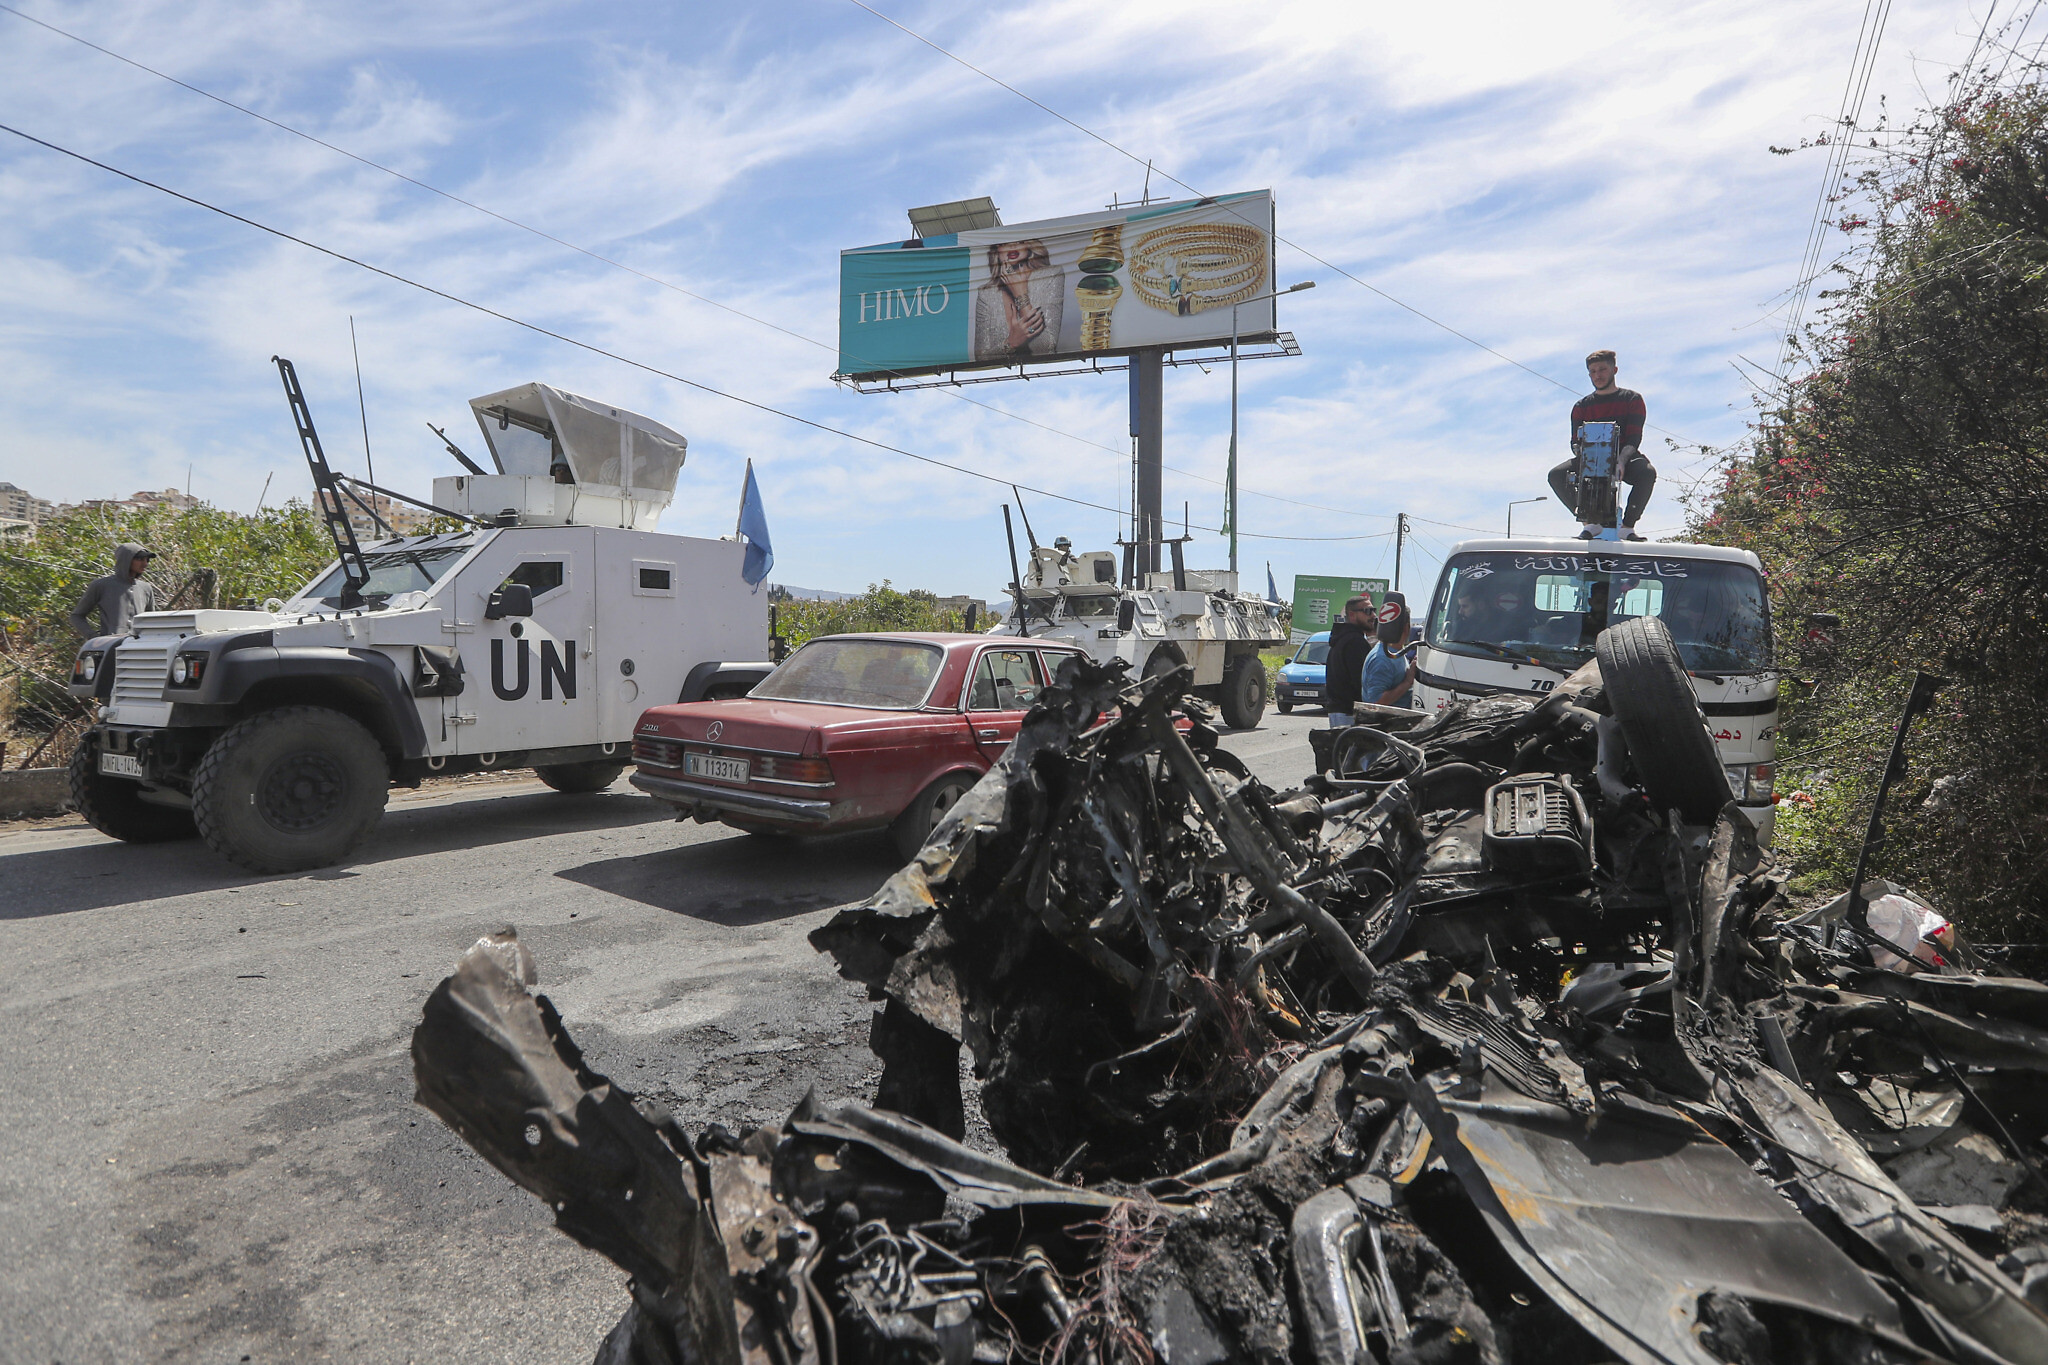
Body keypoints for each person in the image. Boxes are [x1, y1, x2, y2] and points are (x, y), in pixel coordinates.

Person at [1549, 349, 1655, 541]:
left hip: (1625, 456)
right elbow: (1575, 441)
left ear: (1614, 370)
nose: (1597, 375)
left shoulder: (1632, 399)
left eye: (1602, 369)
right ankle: (1589, 522)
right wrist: (1588, 459)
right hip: (1591, 458)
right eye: (1593, 371)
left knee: (1647, 472)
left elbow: (1634, 437)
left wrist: (1620, 461)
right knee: (1556, 475)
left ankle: (1628, 526)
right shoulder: (1581, 406)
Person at [972, 238, 1066, 360]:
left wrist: (1020, 294)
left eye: (1019, 241)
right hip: (1002, 376)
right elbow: (981, 358)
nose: (1012, 246)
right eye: (1004, 243)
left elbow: (1045, 348)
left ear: (1028, 245)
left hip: (1043, 374)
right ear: (997, 250)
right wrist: (1011, 343)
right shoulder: (986, 294)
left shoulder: (1050, 276)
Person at [68, 543, 159, 638]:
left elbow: (150, 620)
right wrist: (94, 638)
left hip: (141, 646)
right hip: (111, 645)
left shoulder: (146, 588)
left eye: (147, 560)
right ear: (126, 560)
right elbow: (77, 616)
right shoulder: (101, 585)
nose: (145, 564)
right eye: (140, 559)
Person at [1321, 596, 1374, 726]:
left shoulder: (1342, 639)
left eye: (1373, 610)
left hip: (1339, 711)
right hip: (1349, 713)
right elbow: (1361, 682)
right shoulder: (1354, 642)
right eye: (1367, 611)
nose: (1373, 615)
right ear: (1352, 615)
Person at [1359, 598, 1418, 709]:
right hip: (1383, 724)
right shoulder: (1382, 659)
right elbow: (1376, 703)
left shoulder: (1395, 653)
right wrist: (1407, 682)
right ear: (1406, 627)